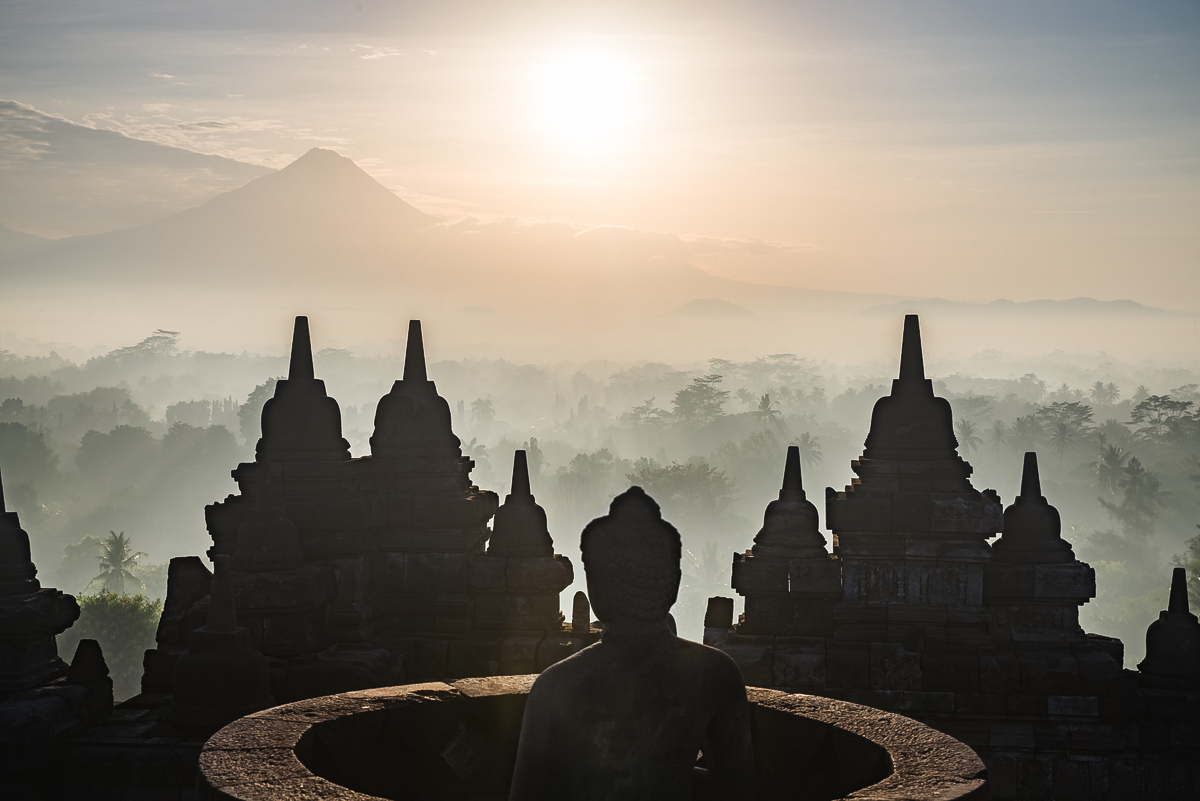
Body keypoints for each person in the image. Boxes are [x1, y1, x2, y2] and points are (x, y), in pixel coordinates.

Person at [510, 487, 755, 800]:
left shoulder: (557, 685)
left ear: (596, 586)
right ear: (675, 584)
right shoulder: (716, 674)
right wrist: (667, 773)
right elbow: (737, 791)